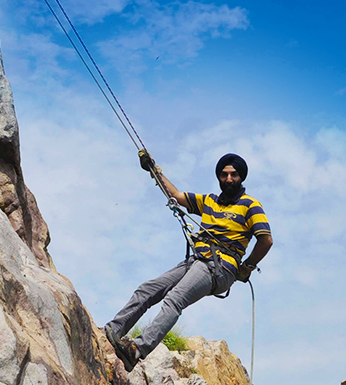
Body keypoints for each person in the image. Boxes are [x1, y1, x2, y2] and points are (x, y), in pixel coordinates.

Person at [104, 152, 273, 372]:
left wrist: (247, 266)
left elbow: (266, 239)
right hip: (198, 260)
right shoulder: (210, 201)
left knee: (175, 299)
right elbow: (175, 194)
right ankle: (113, 331)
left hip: (220, 267)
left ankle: (136, 350)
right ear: (219, 177)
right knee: (148, 289)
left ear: (241, 177)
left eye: (233, 175)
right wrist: (154, 170)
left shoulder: (250, 205)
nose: (229, 179)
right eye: (224, 175)